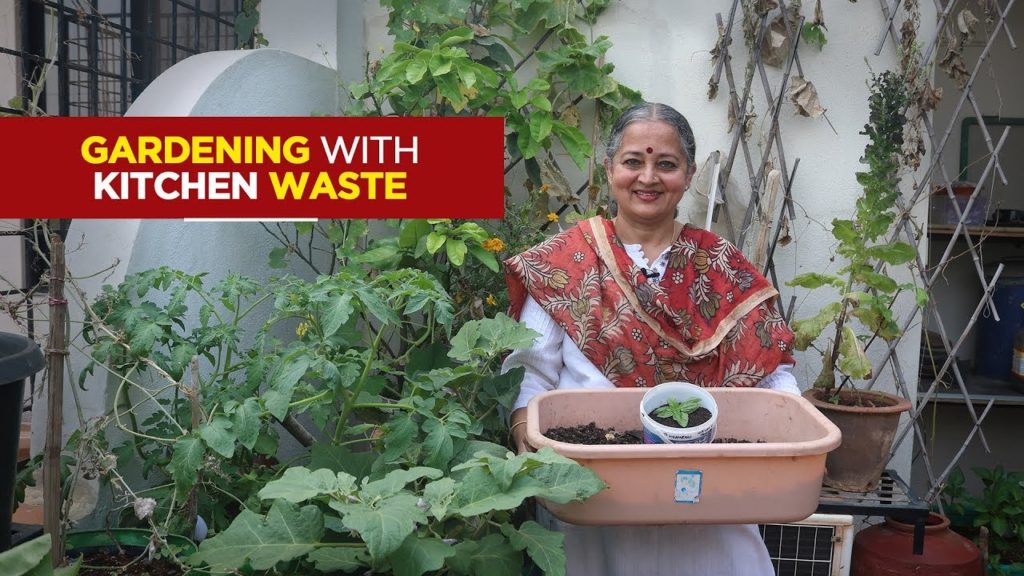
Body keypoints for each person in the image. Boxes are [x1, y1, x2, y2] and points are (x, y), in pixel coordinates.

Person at [502, 102, 799, 576]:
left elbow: (772, 375)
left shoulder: (721, 267)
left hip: (706, 500)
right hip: (593, 497)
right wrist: (528, 440)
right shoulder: (565, 263)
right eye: (633, 162)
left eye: (666, 164)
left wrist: (787, 445)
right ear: (609, 169)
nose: (648, 178)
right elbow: (531, 374)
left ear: (689, 173)